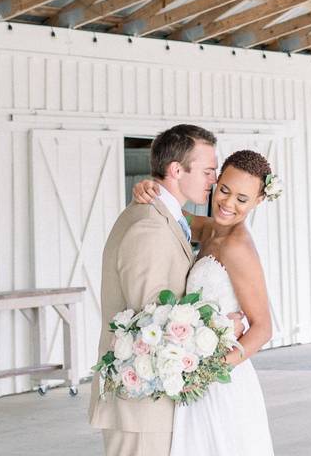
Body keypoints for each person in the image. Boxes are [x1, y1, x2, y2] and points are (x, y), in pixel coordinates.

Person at [132, 149, 280, 456]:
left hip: (221, 382)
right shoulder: (213, 228)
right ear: (217, 180)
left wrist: (204, 374)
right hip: (195, 369)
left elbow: (263, 328)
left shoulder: (239, 246)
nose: (228, 203)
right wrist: (147, 189)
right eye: (224, 190)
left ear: (259, 201)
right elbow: (172, 214)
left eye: (242, 198)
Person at [88, 124, 219, 456]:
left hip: (155, 402)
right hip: (141, 404)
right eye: (207, 171)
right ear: (176, 169)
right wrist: (220, 330)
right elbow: (153, 323)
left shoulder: (164, 215)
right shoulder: (149, 225)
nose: (213, 180)